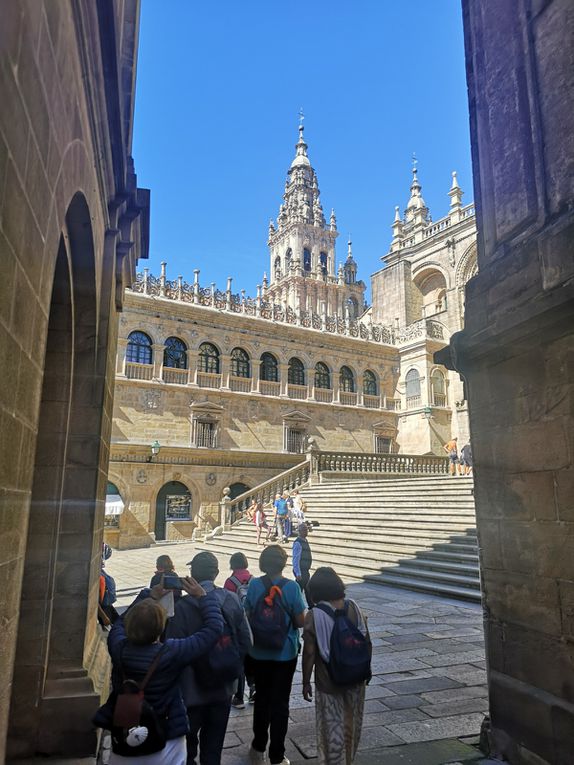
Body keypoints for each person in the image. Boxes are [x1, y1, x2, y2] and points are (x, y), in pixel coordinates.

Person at [93, 576, 223, 765]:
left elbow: (120, 623)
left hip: (126, 735)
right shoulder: (171, 652)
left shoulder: (118, 647)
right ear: (160, 627)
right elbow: (213, 629)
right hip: (167, 735)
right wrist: (204, 597)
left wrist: (148, 596)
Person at [166, 551, 252, 765]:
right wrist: (229, 662)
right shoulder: (230, 599)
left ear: (192, 574)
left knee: (187, 750)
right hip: (223, 687)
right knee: (213, 750)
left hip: (190, 691)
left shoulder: (181, 609)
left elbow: (172, 654)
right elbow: (246, 641)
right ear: (215, 573)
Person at [302, 567, 371, 765]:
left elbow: (309, 653)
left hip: (328, 680)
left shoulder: (314, 615)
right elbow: (367, 641)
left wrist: (306, 681)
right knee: (352, 723)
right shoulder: (354, 607)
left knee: (331, 726)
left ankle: (334, 762)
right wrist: (367, 671)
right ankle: (348, 760)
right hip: (356, 677)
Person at [245, 545, 306, 765]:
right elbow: (300, 621)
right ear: (283, 563)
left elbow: (247, 614)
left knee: (261, 700)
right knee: (280, 703)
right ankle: (277, 756)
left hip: (258, 653)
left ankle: (258, 747)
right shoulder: (292, 588)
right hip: (285, 654)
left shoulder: (253, 584)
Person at [224, 552, 255, 707]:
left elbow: (226, 604)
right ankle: (254, 688)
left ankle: (239, 697)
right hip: (253, 625)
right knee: (251, 657)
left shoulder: (230, 582)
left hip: (237, 625)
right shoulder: (253, 580)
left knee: (240, 661)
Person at [292, 523, 313, 606]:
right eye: (304, 530)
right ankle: (295, 605)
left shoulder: (305, 540)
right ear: (299, 531)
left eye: (306, 529)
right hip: (301, 570)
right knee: (299, 589)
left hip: (305, 570)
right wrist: (298, 573)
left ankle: (310, 605)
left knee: (307, 589)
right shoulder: (298, 543)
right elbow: (295, 559)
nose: (306, 531)